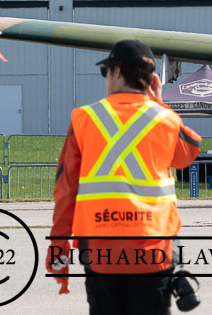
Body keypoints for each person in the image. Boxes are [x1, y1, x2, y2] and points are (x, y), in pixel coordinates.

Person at [46, 40, 202, 314]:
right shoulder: (165, 120)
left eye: (105, 70)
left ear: (116, 71)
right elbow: (187, 153)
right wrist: (160, 104)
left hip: (100, 252)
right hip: (153, 250)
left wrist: (59, 244)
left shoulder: (84, 118)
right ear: (151, 79)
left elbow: (66, 189)